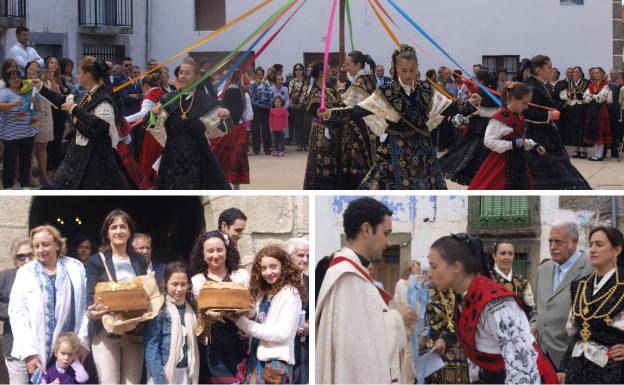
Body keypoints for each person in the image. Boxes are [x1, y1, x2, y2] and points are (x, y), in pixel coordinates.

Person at [341, 45, 481, 190]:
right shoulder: (386, 92)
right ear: (396, 68)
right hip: (396, 149)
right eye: (404, 71)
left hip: (423, 153)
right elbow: (358, 110)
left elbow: (448, 107)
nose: (408, 75)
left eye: (412, 70)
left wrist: (470, 104)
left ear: (417, 68)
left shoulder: (426, 89)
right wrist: (331, 113)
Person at [427, 233, 557, 384]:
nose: (429, 273)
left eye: (434, 266)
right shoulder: (466, 297)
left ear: (456, 267)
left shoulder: (494, 304)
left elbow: (523, 364)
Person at [316, 197, 418, 383]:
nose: (388, 242)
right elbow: (355, 350)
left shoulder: (355, 274)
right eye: (385, 233)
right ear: (366, 229)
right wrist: (397, 317)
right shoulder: (346, 277)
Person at [32, 56, 135, 189]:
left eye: (79, 72)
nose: (77, 76)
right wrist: (41, 87)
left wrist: (75, 110)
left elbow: (101, 129)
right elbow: (62, 100)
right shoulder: (86, 95)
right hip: (77, 154)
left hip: (95, 159)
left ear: (88, 75)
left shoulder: (104, 99)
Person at [9, 225, 89, 384]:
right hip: (38, 350)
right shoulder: (25, 272)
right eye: (36, 246)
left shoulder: (75, 267)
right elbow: (18, 313)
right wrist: (29, 352)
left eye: (45, 244)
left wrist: (82, 342)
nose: (40, 249)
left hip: (68, 351)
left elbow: (84, 307)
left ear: (58, 245)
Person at [85, 209, 148, 384]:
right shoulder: (96, 261)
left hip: (134, 331)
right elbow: (90, 297)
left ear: (130, 232)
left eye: (123, 227)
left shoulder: (140, 260)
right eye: (114, 227)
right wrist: (91, 313)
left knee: (132, 382)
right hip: (106, 332)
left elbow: (146, 292)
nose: (118, 231)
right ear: (107, 232)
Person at [149, 57, 231, 190]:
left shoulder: (207, 101)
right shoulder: (168, 99)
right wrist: (155, 113)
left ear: (197, 77)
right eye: (181, 72)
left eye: (187, 73)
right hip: (172, 157)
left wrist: (223, 115)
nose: (183, 76)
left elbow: (220, 127)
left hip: (198, 157)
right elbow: (152, 124)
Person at [228, 245, 304, 384]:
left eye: (273, 266)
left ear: (283, 267)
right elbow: (261, 322)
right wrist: (250, 314)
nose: (268, 272)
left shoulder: (290, 294)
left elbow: (282, 334)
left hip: (274, 364)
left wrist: (241, 322)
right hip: (255, 359)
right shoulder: (264, 293)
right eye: (264, 268)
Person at [559, 226, 624, 384]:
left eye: (599, 245)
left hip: (611, 372)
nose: (592, 249)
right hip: (576, 371)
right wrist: (563, 367)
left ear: (616, 250)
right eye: (591, 244)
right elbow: (577, 333)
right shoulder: (579, 285)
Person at [189, 231, 250, 384]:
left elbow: (251, 308)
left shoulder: (241, 276)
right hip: (211, 348)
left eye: (219, 250)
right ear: (203, 255)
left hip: (237, 344)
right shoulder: (196, 282)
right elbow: (195, 319)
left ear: (227, 251)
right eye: (210, 251)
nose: (215, 255)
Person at [532, 221, 593, 372]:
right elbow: (537, 309)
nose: (552, 247)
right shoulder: (543, 270)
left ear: (574, 242)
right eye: (550, 241)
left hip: (573, 359)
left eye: (558, 241)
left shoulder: (591, 268)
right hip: (540, 356)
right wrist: (534, 325)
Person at [524, 55, 590, 189]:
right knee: (549, 167)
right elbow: (525, 112)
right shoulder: (531, 87)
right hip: (537, 135)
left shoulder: (540, 85)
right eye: (549, 67)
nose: (551, 70)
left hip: (546, 133)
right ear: (538, 70)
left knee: (559, 167)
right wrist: (548, 115)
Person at [469, 82, 546, 190]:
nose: (526, 106)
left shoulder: (519, 115)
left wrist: (534, 145)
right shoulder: (501, 118)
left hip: (518, 161)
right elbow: (489, 141)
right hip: (502, 164)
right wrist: (511, 144)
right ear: (514, 99)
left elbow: (520, 139)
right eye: (524, 103)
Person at [327, 51, 378, 189]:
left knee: (358, 160)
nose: (346, 67)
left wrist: (337, 90)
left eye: (348, 64)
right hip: (365, 127)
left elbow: (348, 106)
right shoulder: (364, 79)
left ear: (358, 65)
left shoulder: (361, 81)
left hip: (360, 128)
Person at [439, 68, 498, 186]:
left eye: (476, 78)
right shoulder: (492, 92)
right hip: (488, 127)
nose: (473, 80)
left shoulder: (480, 92)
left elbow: (474, 110)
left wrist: (462, 116)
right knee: (476, 153)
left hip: (478, 127)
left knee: (468, 151)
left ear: (481, 80)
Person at [144, 262, 199, 384]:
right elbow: (151, 347)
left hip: (186, 373)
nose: (179, 289)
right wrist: (160, 380)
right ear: (165, 283)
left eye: (183, 284)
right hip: (164, 373)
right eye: (175, 284)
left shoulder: (192, 310)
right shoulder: (159, 309)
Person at [303, 62, 342, 190]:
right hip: (321, 132)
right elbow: (314, 112)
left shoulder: (330, 90)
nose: (331, 72)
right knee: (321, 162)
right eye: (328, 70)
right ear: (321, 72)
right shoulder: (314, 92)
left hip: (334, 130)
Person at [211, 69, 253, 189]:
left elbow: (214, 113)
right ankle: (236, 189)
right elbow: (249, 116)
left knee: (220, 159)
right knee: (236, 160)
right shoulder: (244, 94)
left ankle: (221, 186)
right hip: (238, 130)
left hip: (222, 130)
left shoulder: (220, 93)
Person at [0, 238, 33, 384]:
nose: (26, 260)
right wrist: (16, 310)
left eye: (30, 255)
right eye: (21, 256)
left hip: (42, 347)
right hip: (14, 345)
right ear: (16, 259)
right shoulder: (5, 277)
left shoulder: (45, 276)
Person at [0, 68, 38, 189]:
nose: (16, 79)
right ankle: (8, 185)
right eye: (12, 78)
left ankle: (25, 183)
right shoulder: (5, 92)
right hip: (10, 133)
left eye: (17, 77)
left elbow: (37, 109)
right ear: (8, 80)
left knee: (26, 160)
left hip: (27, 132)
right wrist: (13, 104)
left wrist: (35, 102)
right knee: (9, 160)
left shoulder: (27, 91)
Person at [424, 287, 470, 384]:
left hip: (461, 349)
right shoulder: (425, 293)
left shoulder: (459, 290)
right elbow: (423, 327)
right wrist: (434, 342)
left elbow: (467, 321)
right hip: (435, 349)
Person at [488, 240, 535, 319]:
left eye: (510, 254)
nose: (507, 257)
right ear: (494, 256)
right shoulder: (486, 279)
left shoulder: (522, 282)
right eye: (503, 253)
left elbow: (530, 309)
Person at [287, 238, 309, 385]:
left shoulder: (310, 282)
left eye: (308, 256)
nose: (305, 259)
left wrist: (309, 324)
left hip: (303, 347)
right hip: (284, 346)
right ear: (290, 257)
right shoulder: (280, 281)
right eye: (301, 255)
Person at [584, 67, 613, 161]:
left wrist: (592, 96)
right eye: (594, 73)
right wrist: (594, 96)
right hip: (592, 110)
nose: (595, 74)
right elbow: (585, 97)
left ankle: (600, 155)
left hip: (601, 110)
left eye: (597, 73)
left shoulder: (606, 85)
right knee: (594, 131)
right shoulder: (591, 85)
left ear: (602, 74)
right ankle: (596, 154)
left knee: (600, 131)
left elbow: (601, 98)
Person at [560, 66, 589, 158]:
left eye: (577, 72)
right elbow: (565, 95)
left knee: (582, 128)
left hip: (582, 107)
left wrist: (573, 96)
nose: (575, 74)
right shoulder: (570, 83)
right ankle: (576, 150)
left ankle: (584, 150)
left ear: (580, 73)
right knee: (574, 128)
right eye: (574, 72)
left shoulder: (586, 82)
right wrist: (574, 96)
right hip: (572, 108)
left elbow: (586, 95)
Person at [249, 67, 274, 155]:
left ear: (263, 75)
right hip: (255, 109)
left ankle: (267, 149)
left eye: (261, 74)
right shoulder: (252, 84)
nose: (259, 76)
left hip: (266, 109)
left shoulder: (267, 84)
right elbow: (252, 97)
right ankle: (256, 149)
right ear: (255, 75)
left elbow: (270, 95)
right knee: (255, 129)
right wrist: (260, 94)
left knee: (266, 129)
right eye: (258, 74)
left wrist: (261, 95)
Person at [288, 63, 309, 152]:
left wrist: (302, 95)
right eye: (296, 69)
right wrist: (299, 95)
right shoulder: (292, 81)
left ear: (303, 70)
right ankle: (299, 145)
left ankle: (305, 144)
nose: (298, 71)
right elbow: (291, 94)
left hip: (305, 106)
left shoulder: (307, 81)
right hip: (296, 106)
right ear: (294, 71)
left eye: (300, 69)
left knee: (306, 125)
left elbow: (309, 92)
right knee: (297, 125)